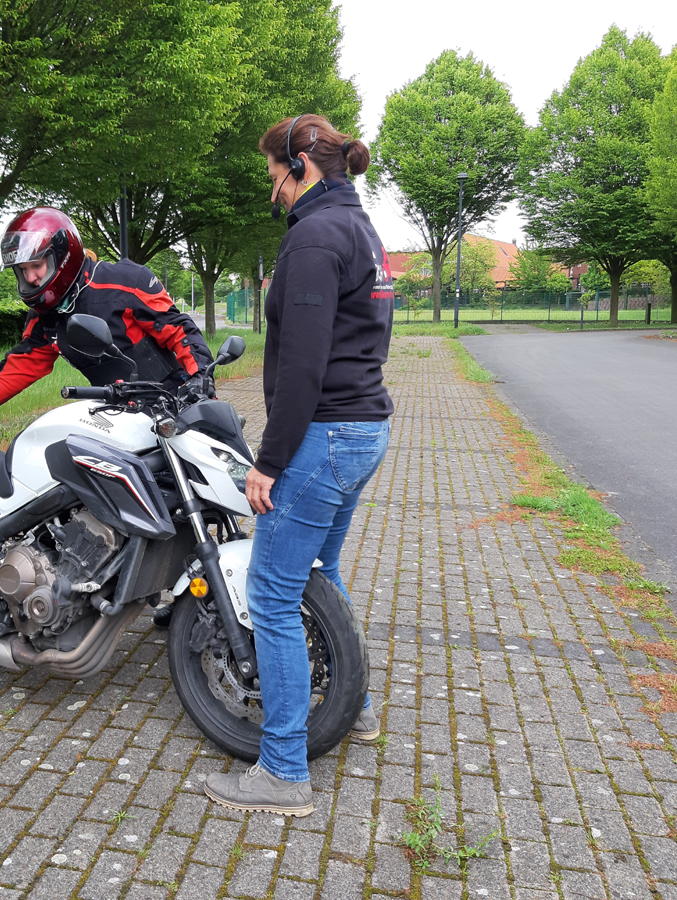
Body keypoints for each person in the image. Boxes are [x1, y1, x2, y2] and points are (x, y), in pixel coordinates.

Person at [204, 115, 395, 816]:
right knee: (321, 572)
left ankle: (283, 772)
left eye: (272, 176)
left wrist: (269, 462)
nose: (272, 191)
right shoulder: (362, 229)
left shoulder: (314, 238)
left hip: (325, 436)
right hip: (363, 427)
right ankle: (358, 709)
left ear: (300, 168)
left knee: (275, 594)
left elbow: (305, 367)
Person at [0, 207, 214, 421]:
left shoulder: (125, 282)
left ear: (62, 256)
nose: (31, 278)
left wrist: (200, 380)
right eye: (22, 271)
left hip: (177, 405)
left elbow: (179, 330)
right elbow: (13, 373)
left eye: (36, 265)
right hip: (118, 417)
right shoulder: (44, 317)